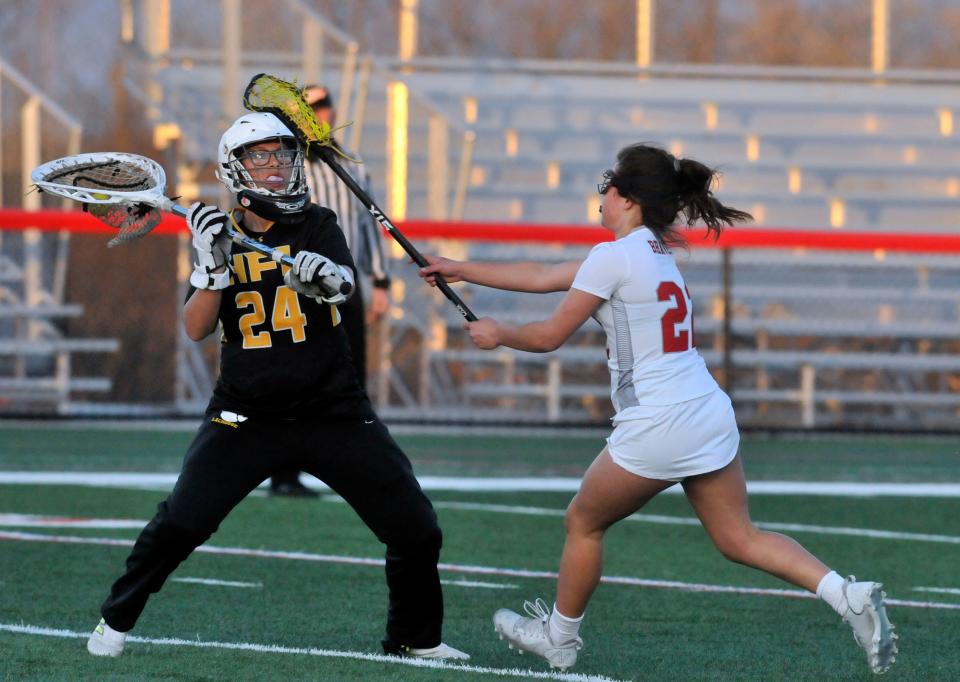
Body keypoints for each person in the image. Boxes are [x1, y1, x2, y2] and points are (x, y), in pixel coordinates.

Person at [418, 143, 897, 675]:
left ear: (625, 197)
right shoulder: (653, 253)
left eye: (606, 190)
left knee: (583, 521)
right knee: (740, 537)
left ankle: (559, 637)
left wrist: (499, 334)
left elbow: (551, 335)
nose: (600, 200)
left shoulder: (612, 257)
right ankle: (845, 594)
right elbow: (543, 273)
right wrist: (460, 268)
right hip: (707, 409)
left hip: (659, 421)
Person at [86, 111, 468, 662]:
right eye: (258, 155)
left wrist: (321, 276)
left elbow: (341, 288)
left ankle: (415, 638)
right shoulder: (215, 231)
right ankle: (115, 620)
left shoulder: (319, 223)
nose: (273, 165)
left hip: (331, 408)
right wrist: (212, 267)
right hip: (247, 414)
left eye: (282, 154)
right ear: (233, 167)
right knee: (182, 522)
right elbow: (196, 328)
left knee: (415, 527)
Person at [268, 84, 392, 498]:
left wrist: (381, 282)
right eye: (311, 107)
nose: (320, 113)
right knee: (293, 381)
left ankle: (359, 468)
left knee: (351, 381)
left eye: (324, 105)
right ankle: (285, 473)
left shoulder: (354, 167)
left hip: (346, 288)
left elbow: (368, 225)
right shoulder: (289, 167)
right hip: (299, 290)